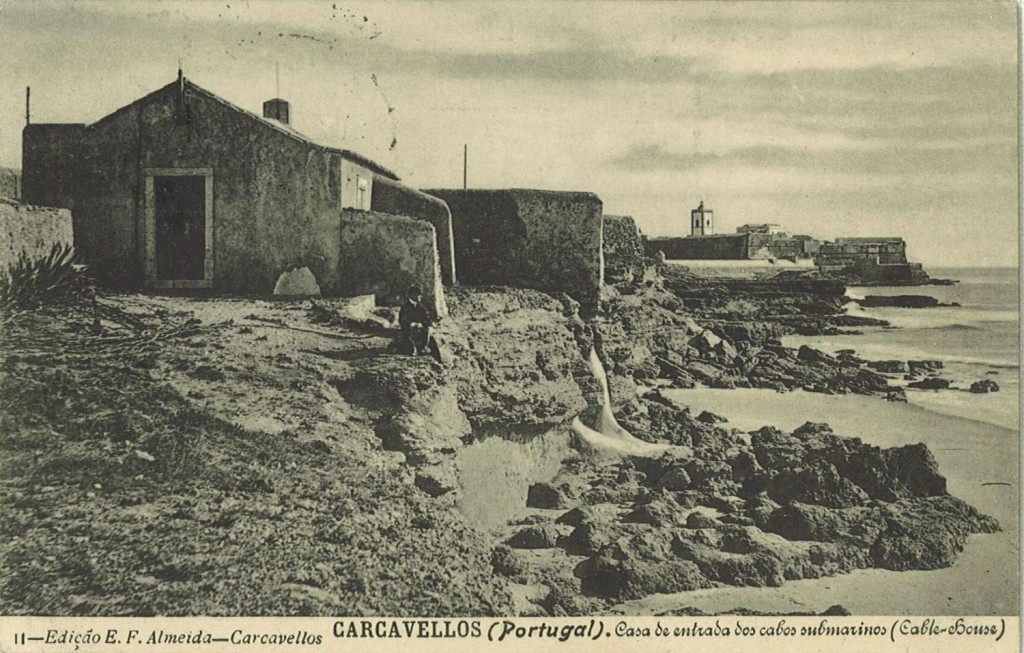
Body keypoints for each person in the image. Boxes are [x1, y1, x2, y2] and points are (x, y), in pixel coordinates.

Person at [398, 285, 433, 355]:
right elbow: (402, 320)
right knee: (410, 345)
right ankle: (413, 348)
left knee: (428, 331)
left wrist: (429, 325)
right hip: (409, 329)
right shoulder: (405, 307)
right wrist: (412, 324)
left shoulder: (421, 306)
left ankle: (423, 347)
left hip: (420, 328)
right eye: (419, 295)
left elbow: (426, 318)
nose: (420, 297)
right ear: (413, 295)